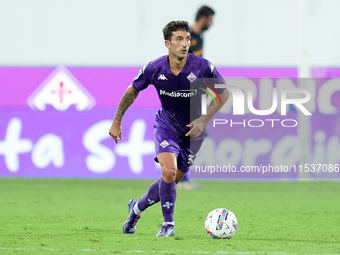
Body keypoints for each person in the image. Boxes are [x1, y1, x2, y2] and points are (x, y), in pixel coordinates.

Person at [109, 20, 229, 237]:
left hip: (193, 133)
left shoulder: (202, 67)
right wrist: (117, 121)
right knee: (168, 171)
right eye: (179, 39)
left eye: (187, 39)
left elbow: (223, 94)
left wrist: (203, 120)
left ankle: (136, 208)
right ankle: (168, 225)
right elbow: (131, 91)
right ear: (168, 43)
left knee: (169, 181)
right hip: (166, 126)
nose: (185, 44)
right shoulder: (155, 68)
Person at [178, 5, 215, 189]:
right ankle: (181, 177)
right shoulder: (188, 36)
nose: (212, 23)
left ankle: (177, 168)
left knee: (198, 132)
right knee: (193, 132)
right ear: (204, 18)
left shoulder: (200, 37)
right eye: (211, 19)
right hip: (187, 91)